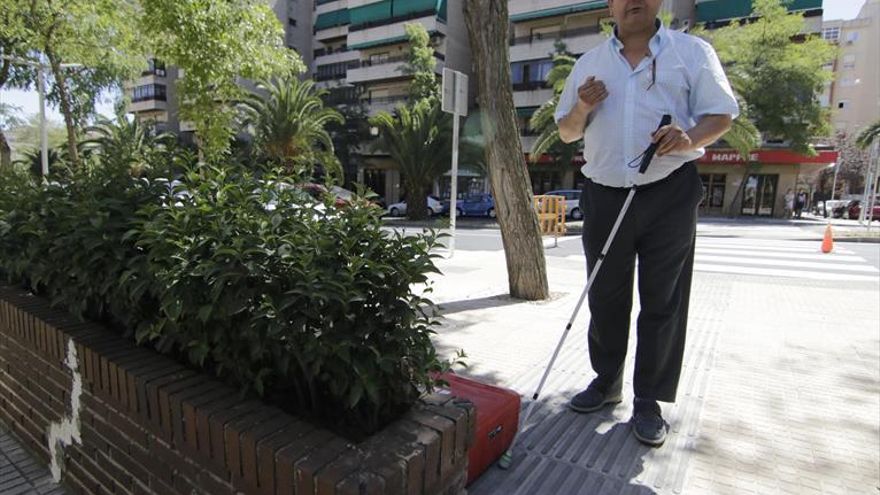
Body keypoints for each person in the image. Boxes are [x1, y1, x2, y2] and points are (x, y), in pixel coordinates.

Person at [554, 0, 738, 447]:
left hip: (668, 193)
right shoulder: (590, 63)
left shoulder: (691, 52)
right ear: (611, 6)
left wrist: (688, 137)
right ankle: (606, 383)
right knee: (605, 296)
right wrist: (581, 106)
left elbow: (722, 114)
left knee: (662, 302)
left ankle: (648, 401)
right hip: (603, 195)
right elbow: (566, 130)